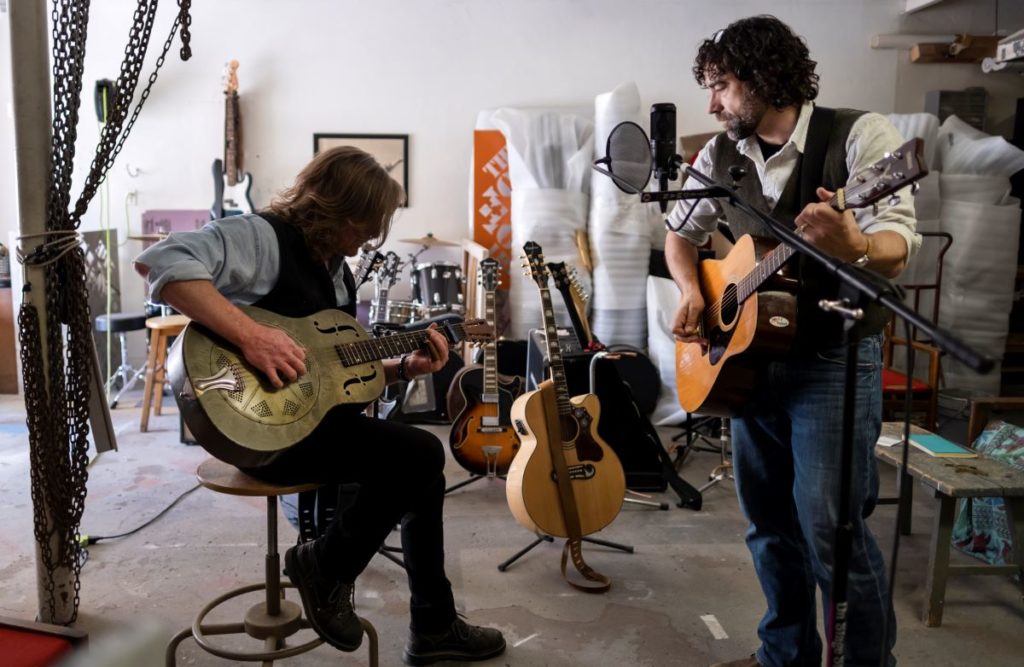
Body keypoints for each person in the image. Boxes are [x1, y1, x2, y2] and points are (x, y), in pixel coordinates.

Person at [135, 146, 506, 666]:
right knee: (420, 453)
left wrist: (403, 369)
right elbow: (161, 261)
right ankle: (325, 567)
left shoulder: (334, 268)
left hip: (308, 420)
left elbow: (332, 374)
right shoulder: (264, 238)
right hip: (258, 425)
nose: (363, 243)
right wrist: (252, 337)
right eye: (361, 228)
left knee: (424, 473)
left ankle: (434, 624)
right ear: (332, 209)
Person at [664, 16, 920, 667]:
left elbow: (896, 245)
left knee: (830, 531)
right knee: (770, 528)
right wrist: (695, 291)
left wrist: (856, 243)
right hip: (749, 367)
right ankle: (785, 653)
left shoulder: (859, 136)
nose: (712, 104)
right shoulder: (720, 153)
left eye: (721, 86)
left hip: (832, 361)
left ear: (762, 76)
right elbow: (679, 236)